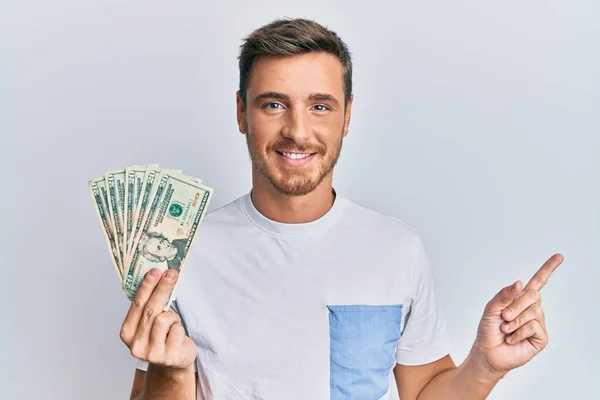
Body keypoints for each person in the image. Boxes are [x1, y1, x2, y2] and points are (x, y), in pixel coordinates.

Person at [119, 18, 564, 400]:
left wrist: (485, 366)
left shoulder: (397, 249)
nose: (297, 131)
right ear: (241, 113)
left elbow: (423, 392)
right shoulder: (179, 257)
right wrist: (171, 373)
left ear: (347, 116)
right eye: (273, 104)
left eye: (319, 106)